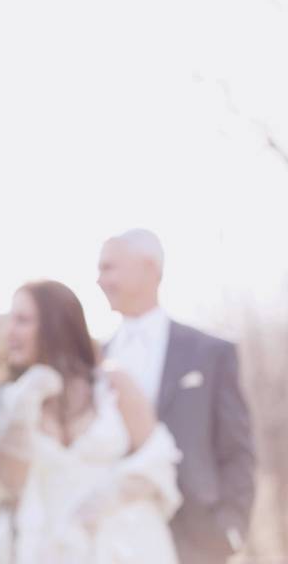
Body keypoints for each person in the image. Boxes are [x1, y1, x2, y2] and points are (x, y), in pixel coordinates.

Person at [0, 280, 181, 564]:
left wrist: (98, 505)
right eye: (10, 320)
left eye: (23, 320)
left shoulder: (113, 385)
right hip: (47, 546)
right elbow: (7, 487)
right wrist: (21, 411)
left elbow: (158, 460)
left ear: (55, 325)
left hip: (123, 542)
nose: (10, 332)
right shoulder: (9, 398)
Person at [99, 229, 255, 563]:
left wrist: (232, 528)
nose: (100, 280)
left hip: (197, 537)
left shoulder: (210, 353)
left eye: (109, 267)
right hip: (115, 537)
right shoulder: (93, 360)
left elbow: (238, 449)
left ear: (148, 267)